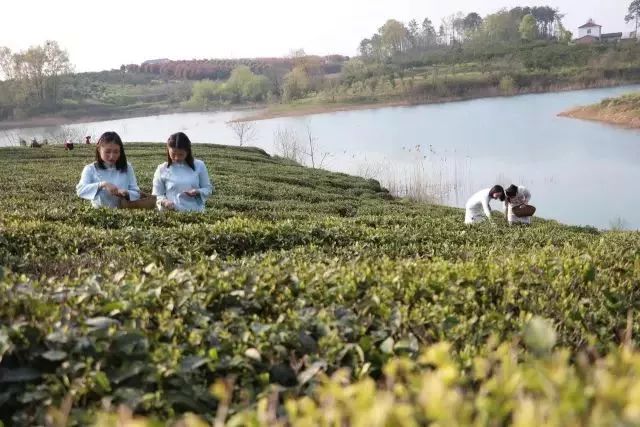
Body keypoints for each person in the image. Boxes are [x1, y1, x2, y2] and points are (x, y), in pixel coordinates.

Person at [76, 131, 141, 208]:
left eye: (116, 152)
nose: (112, 156)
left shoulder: (127, 167)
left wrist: (127, 193)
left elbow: (137, 193)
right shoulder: (90, 169)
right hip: (101, 213)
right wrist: (102, 184)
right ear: (99, 150)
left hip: (124, 212)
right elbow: (80, 190)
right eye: (107, 152)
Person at [152, 132, 213, 212]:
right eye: (173, 154)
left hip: (195, 212)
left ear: (187, 152)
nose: (176, 158)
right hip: (171, 213)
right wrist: (164, 202)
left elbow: (208, 189)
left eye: (181, 154)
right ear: (168, 150)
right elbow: (156, 195)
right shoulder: (162, 169)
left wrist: (197, 191)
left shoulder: (199, 165)